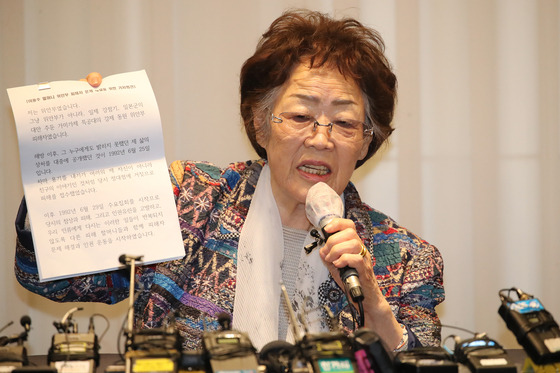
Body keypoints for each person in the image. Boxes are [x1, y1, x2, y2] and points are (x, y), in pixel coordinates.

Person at [14, 9, 444, 352]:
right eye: (300, 116)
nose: (321, 139)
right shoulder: (186, 202)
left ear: (367, 142)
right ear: (259, 125)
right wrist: (79, 140)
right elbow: (52, 277)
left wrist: (371, 298)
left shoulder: (405, 258)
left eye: (345, 123)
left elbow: (423, 361)